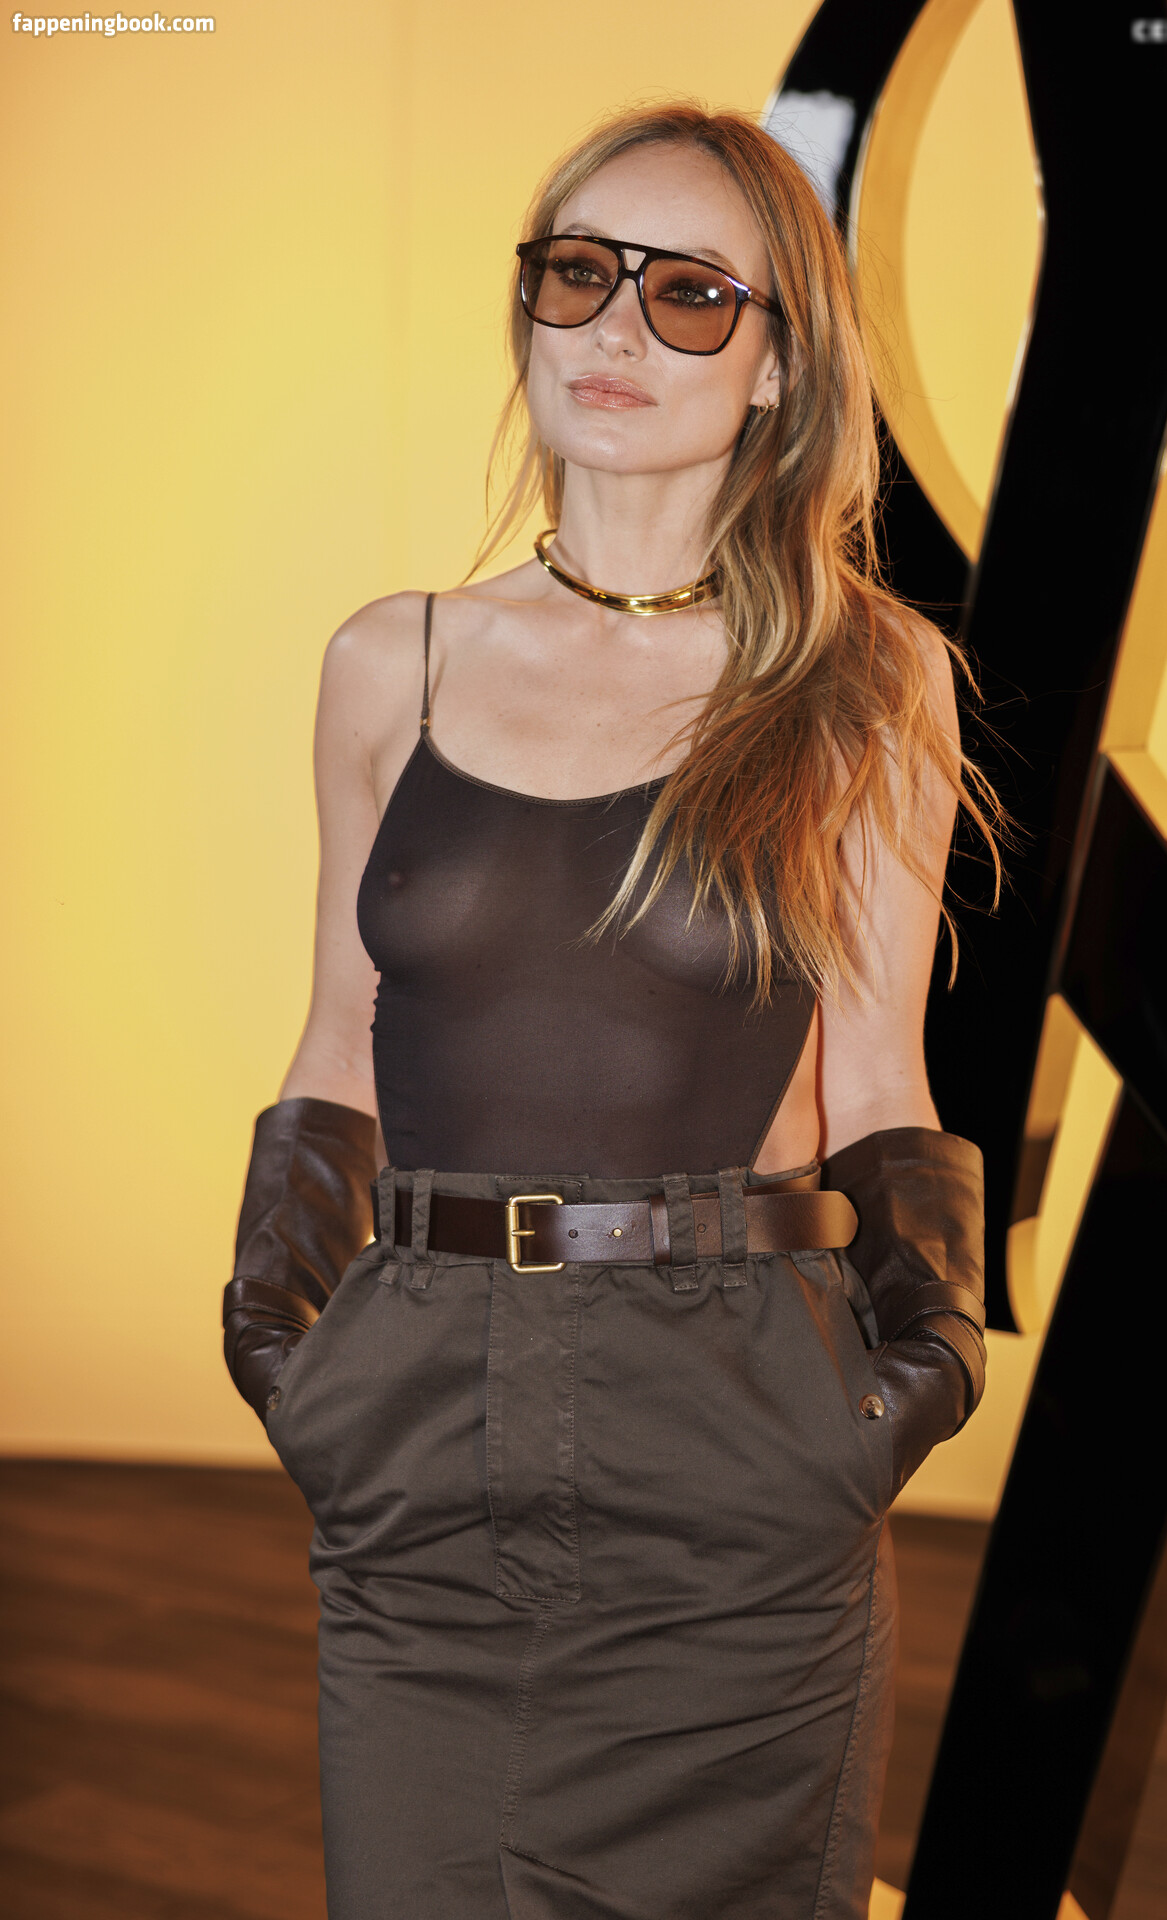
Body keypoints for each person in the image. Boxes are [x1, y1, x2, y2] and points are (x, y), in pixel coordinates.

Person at [222, 101, 1000, 1920]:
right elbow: (340, 1034)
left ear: (779, 362)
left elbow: (878, 1072)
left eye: (689, 293)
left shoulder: (866, 678)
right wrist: (278, 1341)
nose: (617, 329)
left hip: (736, 1431)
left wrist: (919, 1374)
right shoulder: (391, 661)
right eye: (579, 274)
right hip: (423, 1426)